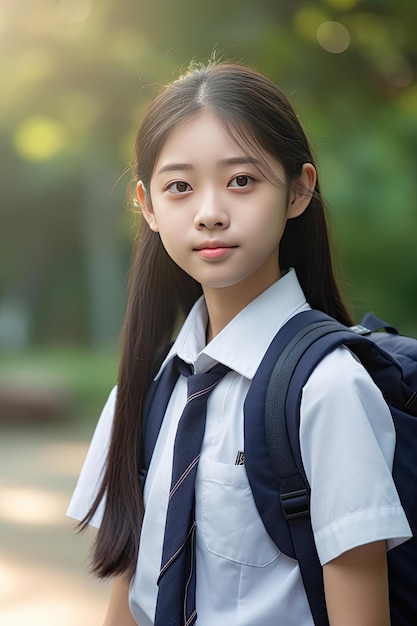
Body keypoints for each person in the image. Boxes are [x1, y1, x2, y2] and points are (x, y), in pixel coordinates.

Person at [67, 63, 411, 626]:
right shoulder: (145, 393)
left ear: (300, 189)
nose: (209, 213)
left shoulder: (328, 389)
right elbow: (125, 604)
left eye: (241, 181)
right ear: (147, 205)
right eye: (179, 187)